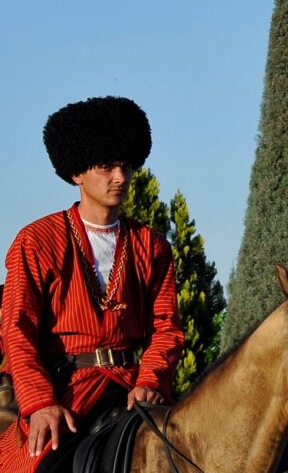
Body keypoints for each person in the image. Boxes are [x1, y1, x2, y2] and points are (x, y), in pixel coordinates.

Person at [0, 96, 184, 473]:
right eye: (106, 167)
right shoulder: (36, 241)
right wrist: (39, 403)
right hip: (67, 392)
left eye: (126, 166)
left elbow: (167, 328)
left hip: (136, 390)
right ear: (77, 173)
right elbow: (16, 329)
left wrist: (151, 380)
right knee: (42, 466)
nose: (120, 176)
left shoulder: (153, 245)